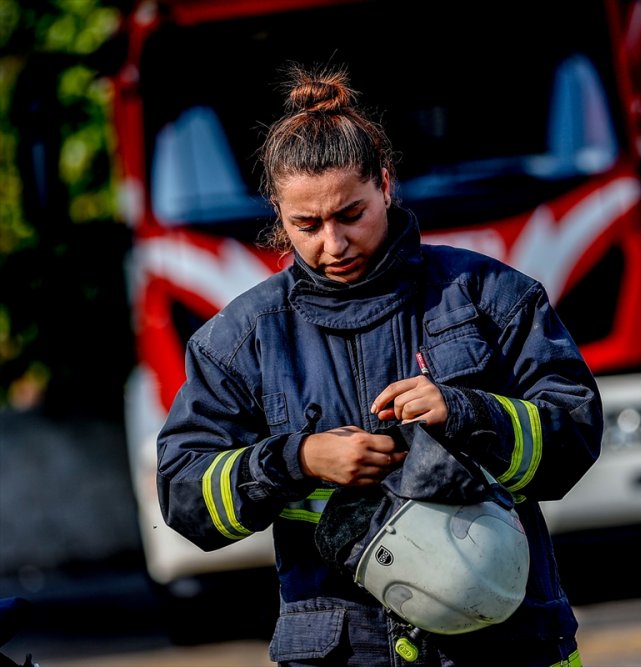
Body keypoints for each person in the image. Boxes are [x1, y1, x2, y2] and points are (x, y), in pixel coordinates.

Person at [156, 62, 603, 667]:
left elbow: (575, 431)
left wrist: (469, 412)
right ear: (278, 214)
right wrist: (299, 459)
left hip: (504, 642)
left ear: (386, 186)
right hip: (346, 652)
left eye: (350, 214)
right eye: (305, 225)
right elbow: (185, 495)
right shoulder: (240, 340)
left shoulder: (490, 296)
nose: (331, 244)